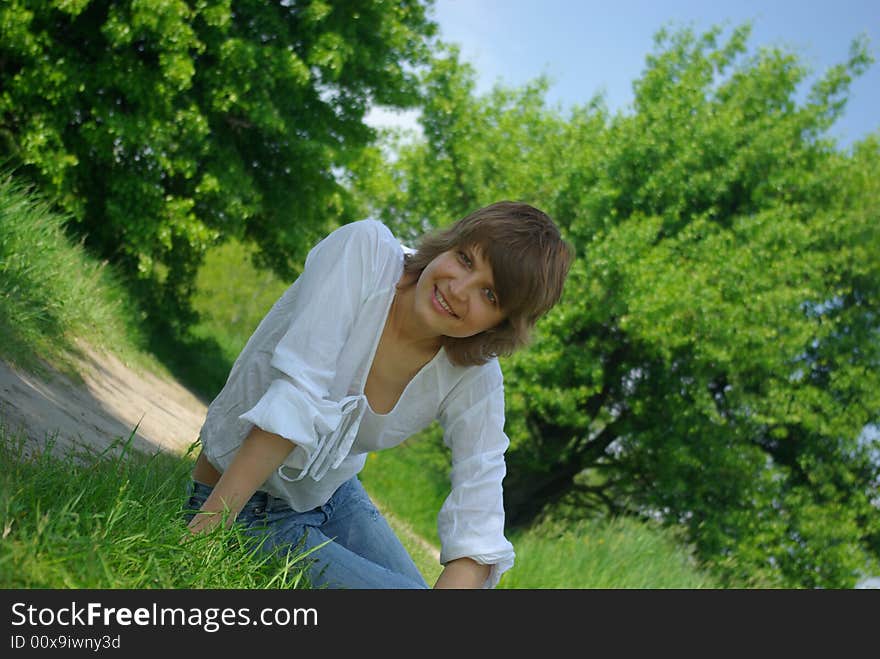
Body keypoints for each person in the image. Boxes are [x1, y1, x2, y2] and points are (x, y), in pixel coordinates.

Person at [184, 200, 573, 589]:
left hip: (334, 496)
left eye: (489, 295)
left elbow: (479, 515)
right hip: (245, 501)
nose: (457, 289)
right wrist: (202, 534)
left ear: (502, 323)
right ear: (448, 245)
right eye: (466, 260)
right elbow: (296, 396)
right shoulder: (365, 254)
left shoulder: (476, 374)